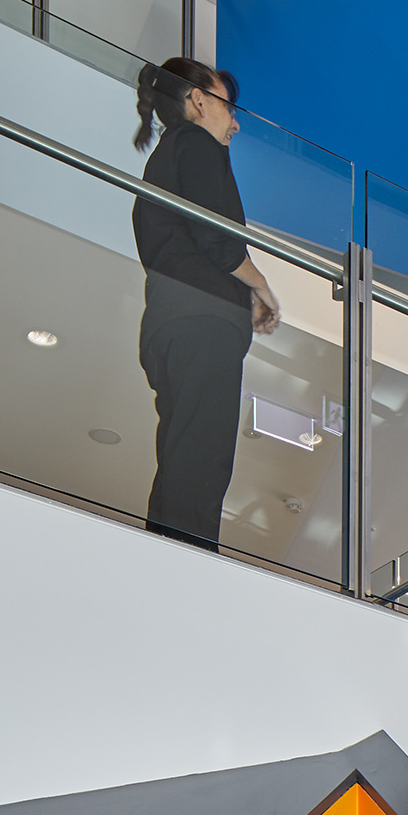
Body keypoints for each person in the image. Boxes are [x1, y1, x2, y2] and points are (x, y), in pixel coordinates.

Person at [131, 58, 280, 549]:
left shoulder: (164, 159)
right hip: (202, 318)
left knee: (182, 451)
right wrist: (260, 286)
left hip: (171, 318)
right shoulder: (195, 145)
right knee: (203, 456)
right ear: (198, 100)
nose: (234, 121)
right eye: (227, 106)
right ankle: (187, 567)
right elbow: (215, 237)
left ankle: (168, 561)